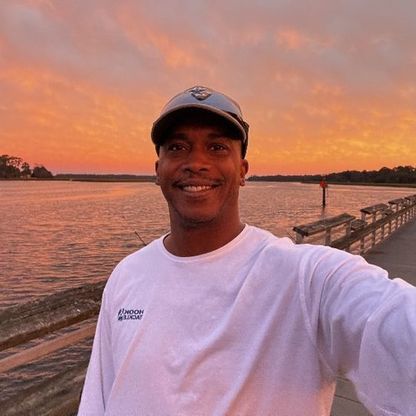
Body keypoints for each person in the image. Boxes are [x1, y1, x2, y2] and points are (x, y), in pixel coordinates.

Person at [78, 86, 416, 415]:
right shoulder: (127, 275)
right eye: (177, 147)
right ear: (158, 171)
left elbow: (389, 317)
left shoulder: (306, 278)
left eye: (217, 148)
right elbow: (98, 397)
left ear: (242, 171)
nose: (196, 162)